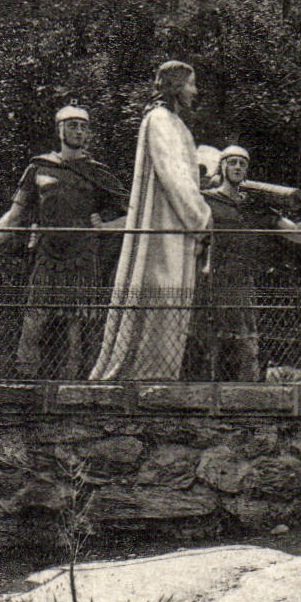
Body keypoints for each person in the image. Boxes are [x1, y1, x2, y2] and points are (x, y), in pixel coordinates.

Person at [0, 106, 128, 378]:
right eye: (72, 125)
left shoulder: (97, 172)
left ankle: (74, 386)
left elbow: (134, 213)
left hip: (83, 256)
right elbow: (15, 215)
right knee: (35, 318)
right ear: (59, 129)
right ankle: (25, 380)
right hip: (47, 253)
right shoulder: (39, 167)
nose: (78, 131)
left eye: (83, 126)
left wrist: (108, 226)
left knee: (77, 323)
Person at [88, 61, 213, 381]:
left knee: (170, 298)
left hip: (176, 226)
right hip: (165, 226)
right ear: (175, 85)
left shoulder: (174, 123)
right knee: (159, 292)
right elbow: (174, 176)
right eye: (191, 84)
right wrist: (201, 216)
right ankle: (145, 372)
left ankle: (159, 372)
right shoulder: (159, 120)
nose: (195, 91)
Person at [185, 145, 301, 381]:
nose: (237, 167)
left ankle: (243, 391)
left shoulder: (256, 206)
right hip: (208, 277)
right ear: (222, 166)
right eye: (232, 162)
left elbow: (299, 235)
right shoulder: (205, 200)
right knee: (204, 334)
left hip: (241, 279)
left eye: (242, 163)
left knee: (244, 337)